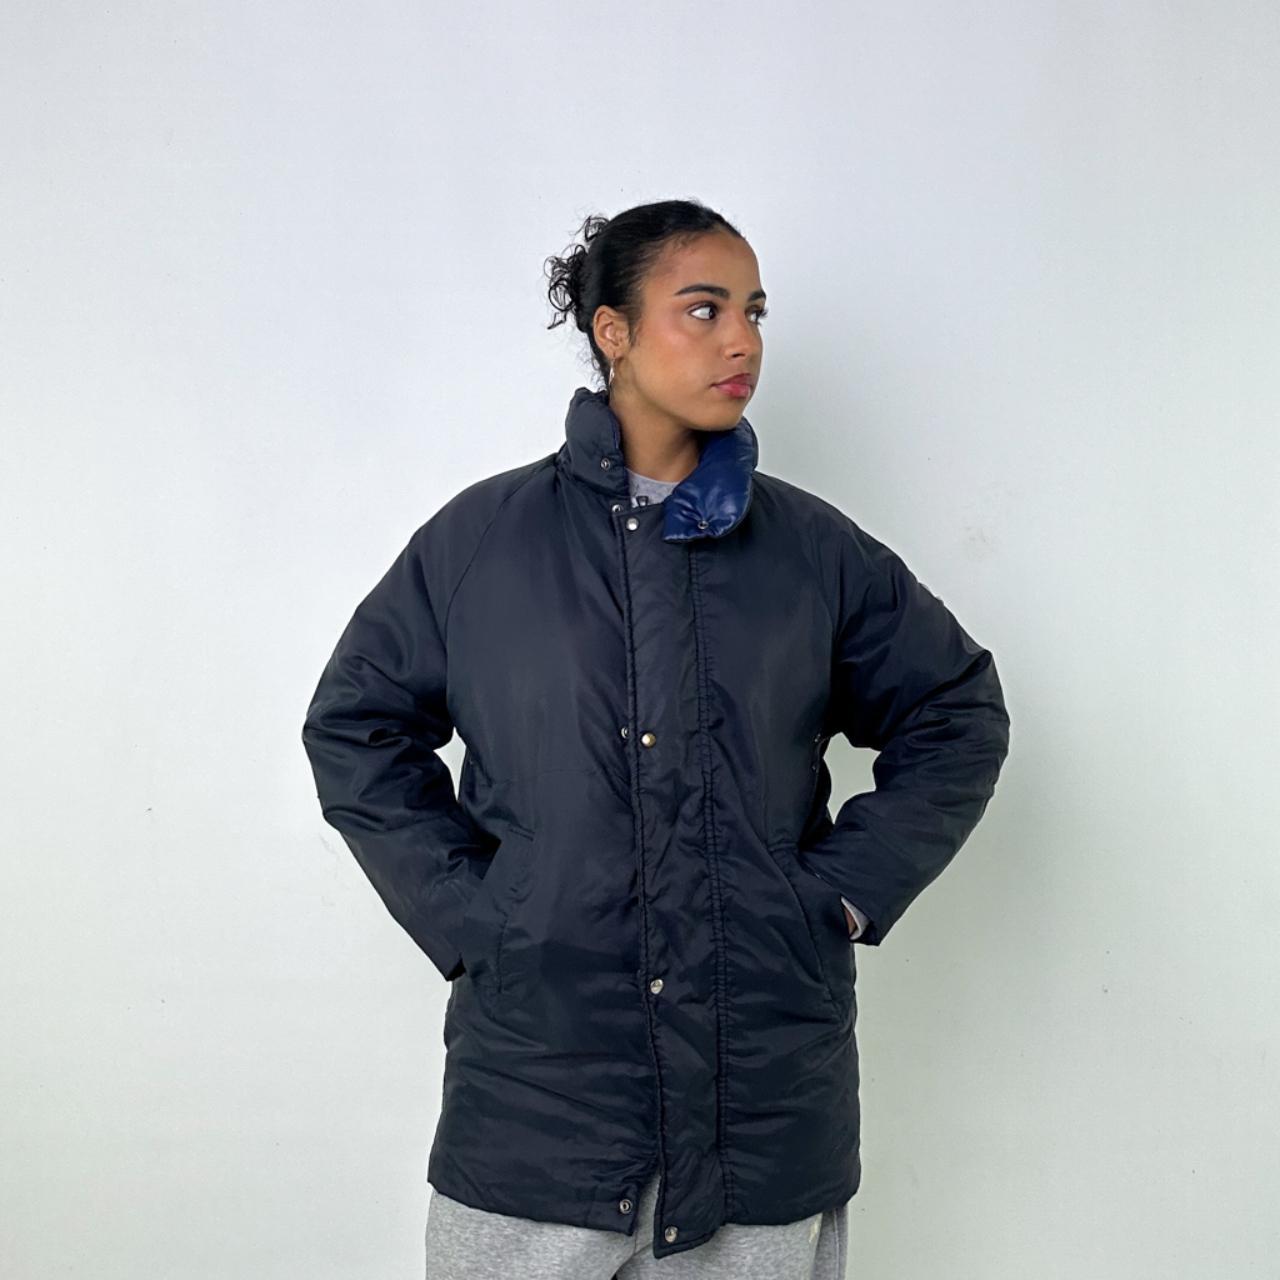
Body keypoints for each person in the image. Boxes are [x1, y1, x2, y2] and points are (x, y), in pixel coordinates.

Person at [301, 198, 1011, 1278]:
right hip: (539, 1111)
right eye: (704, 309)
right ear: (614, 331)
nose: (742, 342)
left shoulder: (812, 551)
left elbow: (954, 709)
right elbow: (356, 725)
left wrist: (835, 895)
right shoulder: (483, 542)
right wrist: (477, 916)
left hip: (760, 1114)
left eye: (754, 312)